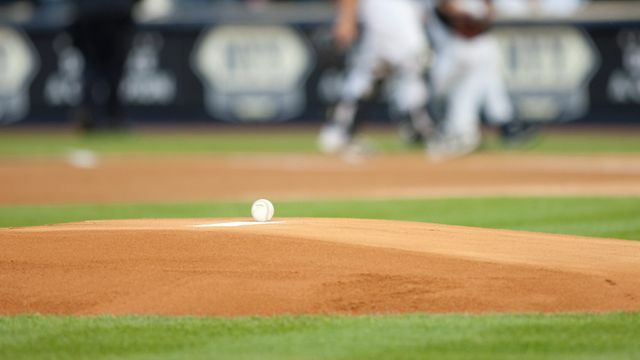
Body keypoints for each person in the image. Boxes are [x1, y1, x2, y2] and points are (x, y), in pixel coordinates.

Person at [318, 0, 433, 154]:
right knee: (414, 59)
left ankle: (339, 130)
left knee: (373, 70)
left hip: (402, 9)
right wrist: (346, 18)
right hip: (386, 6)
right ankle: (416, 124)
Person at [427, 0, 535, 159]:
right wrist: (470, 18)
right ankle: (459, 131)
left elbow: (486, 15)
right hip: (455, 48)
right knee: (442, 92)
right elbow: (450, 12)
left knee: (475, 91)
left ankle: (463, 133)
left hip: (477, 47)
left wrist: (478, 18)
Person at [69, 0, 139, 132]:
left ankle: (91, 112)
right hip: (116, 14)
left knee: (93, 66)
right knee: (112, 67)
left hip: (90, 13)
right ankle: (113, 115)